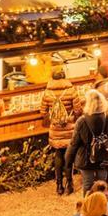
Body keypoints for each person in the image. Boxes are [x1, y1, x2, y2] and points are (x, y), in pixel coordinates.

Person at [65, 89, 108, 194]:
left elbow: (74, 144)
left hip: (86, 160)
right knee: (103, 185)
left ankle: (88, 208)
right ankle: (102, 207)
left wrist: (68, 161)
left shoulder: (82, 121)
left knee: (88, 185)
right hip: (104, 158)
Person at [40, 67, 82, 195]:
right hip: (69, 128)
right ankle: (69, 184)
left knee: (58, 155)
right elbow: (78, 109)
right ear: (64, 76)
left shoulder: (47, 93)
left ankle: (59, 185)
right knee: (68, 156)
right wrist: (71, 118)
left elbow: (43, 112)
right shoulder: (71, 90)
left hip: (56, 128)